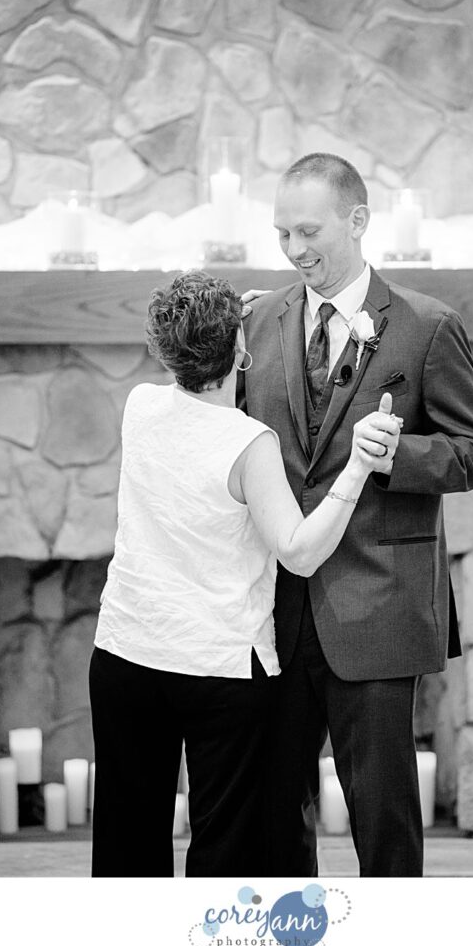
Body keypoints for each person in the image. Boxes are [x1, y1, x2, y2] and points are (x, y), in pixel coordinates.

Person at [88, 269, 401, 877]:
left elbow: (191, 368)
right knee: (225, 844)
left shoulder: (141, 406)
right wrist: (359, 467)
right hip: (219, 672)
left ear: (163, 349)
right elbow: (300, 551)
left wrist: (223, 324)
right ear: (241, 349)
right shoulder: (250, 443)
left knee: (126, 839)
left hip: (125, 655)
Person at [238, 153, 473, 877]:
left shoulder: (425, 325)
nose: (294, 250)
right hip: (275, 613)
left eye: (308, 230)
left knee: (383, 824)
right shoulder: (256, 322)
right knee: (272, 818)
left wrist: (395, 455)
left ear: (356, 221)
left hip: (378, 607)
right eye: (282, 233)